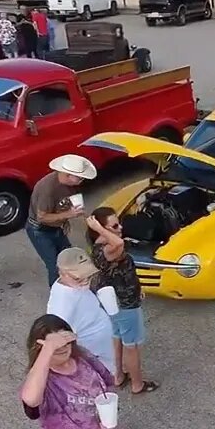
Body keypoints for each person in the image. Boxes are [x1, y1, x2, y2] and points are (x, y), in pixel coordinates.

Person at [86, 208, 158, 395]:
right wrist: (101, 229)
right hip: (125, 304)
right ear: (100, 229)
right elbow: (119, 243)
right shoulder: (109, 249)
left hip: (115, 302)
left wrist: (138, 287)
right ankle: (137, 384)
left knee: (117, 336)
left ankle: (118, 374)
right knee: (131, 345)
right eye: (115, 225)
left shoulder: (99, 247)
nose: (120, 227)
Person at [47, 248, 119, 377]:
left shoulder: (72, 284)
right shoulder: (61, 305)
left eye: (88, 275)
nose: (85, 280)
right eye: (78, 278)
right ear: (61, 273)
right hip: (93, 348)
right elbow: (58, 335)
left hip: (105, 340)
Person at [27, 154, 97, 287]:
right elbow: (41, 217)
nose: (81, 180)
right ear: (67, 175)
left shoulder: (70, 184)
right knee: (55, 266)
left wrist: (65, 220)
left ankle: (73, 286)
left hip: (56, 227)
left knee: (69, 259)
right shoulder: (47, 189)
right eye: (79, 178)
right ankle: (58, 295)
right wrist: (68, 215)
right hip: (40, 231)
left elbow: (64, 203)